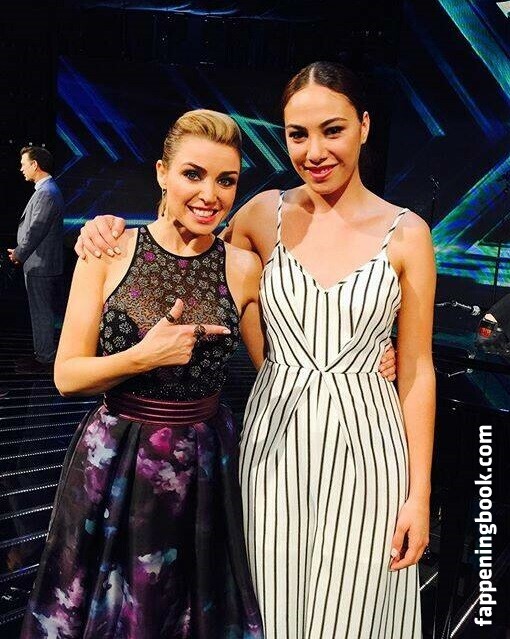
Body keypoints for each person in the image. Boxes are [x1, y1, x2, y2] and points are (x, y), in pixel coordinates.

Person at [75, 61, 434, 638]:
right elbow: (186, 248)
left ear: (364, 126)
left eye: (333, 130)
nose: (315, 151)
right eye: (298, 134)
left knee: (356, 610)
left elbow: (417, 368)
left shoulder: (409, 233)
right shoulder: (263, 214)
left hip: (369, 445)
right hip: (271, 444)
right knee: (263, 607)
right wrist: (105, 229)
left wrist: (419, 495)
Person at [21, 110, 264, 638]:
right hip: (117, 458)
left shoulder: (245, 268)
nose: (210, 195)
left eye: (226, 180)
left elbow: (281, 365)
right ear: (161, 173)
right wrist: (145, 356)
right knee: (113, 607)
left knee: (185, 608)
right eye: (193, 174)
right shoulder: (108, 251)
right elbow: (67, 375)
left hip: (205, 463)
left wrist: (376, 355)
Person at [9, 146, 64, 373]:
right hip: (39, 263)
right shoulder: (46, 190)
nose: (21, 168)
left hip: (41, 265)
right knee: (40, 312)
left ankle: (45, 358)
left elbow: (36, 230)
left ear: (35, 165)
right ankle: (42, 354)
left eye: (24, 164)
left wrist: (19, 253)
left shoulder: (46, 192)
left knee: (41, 313)